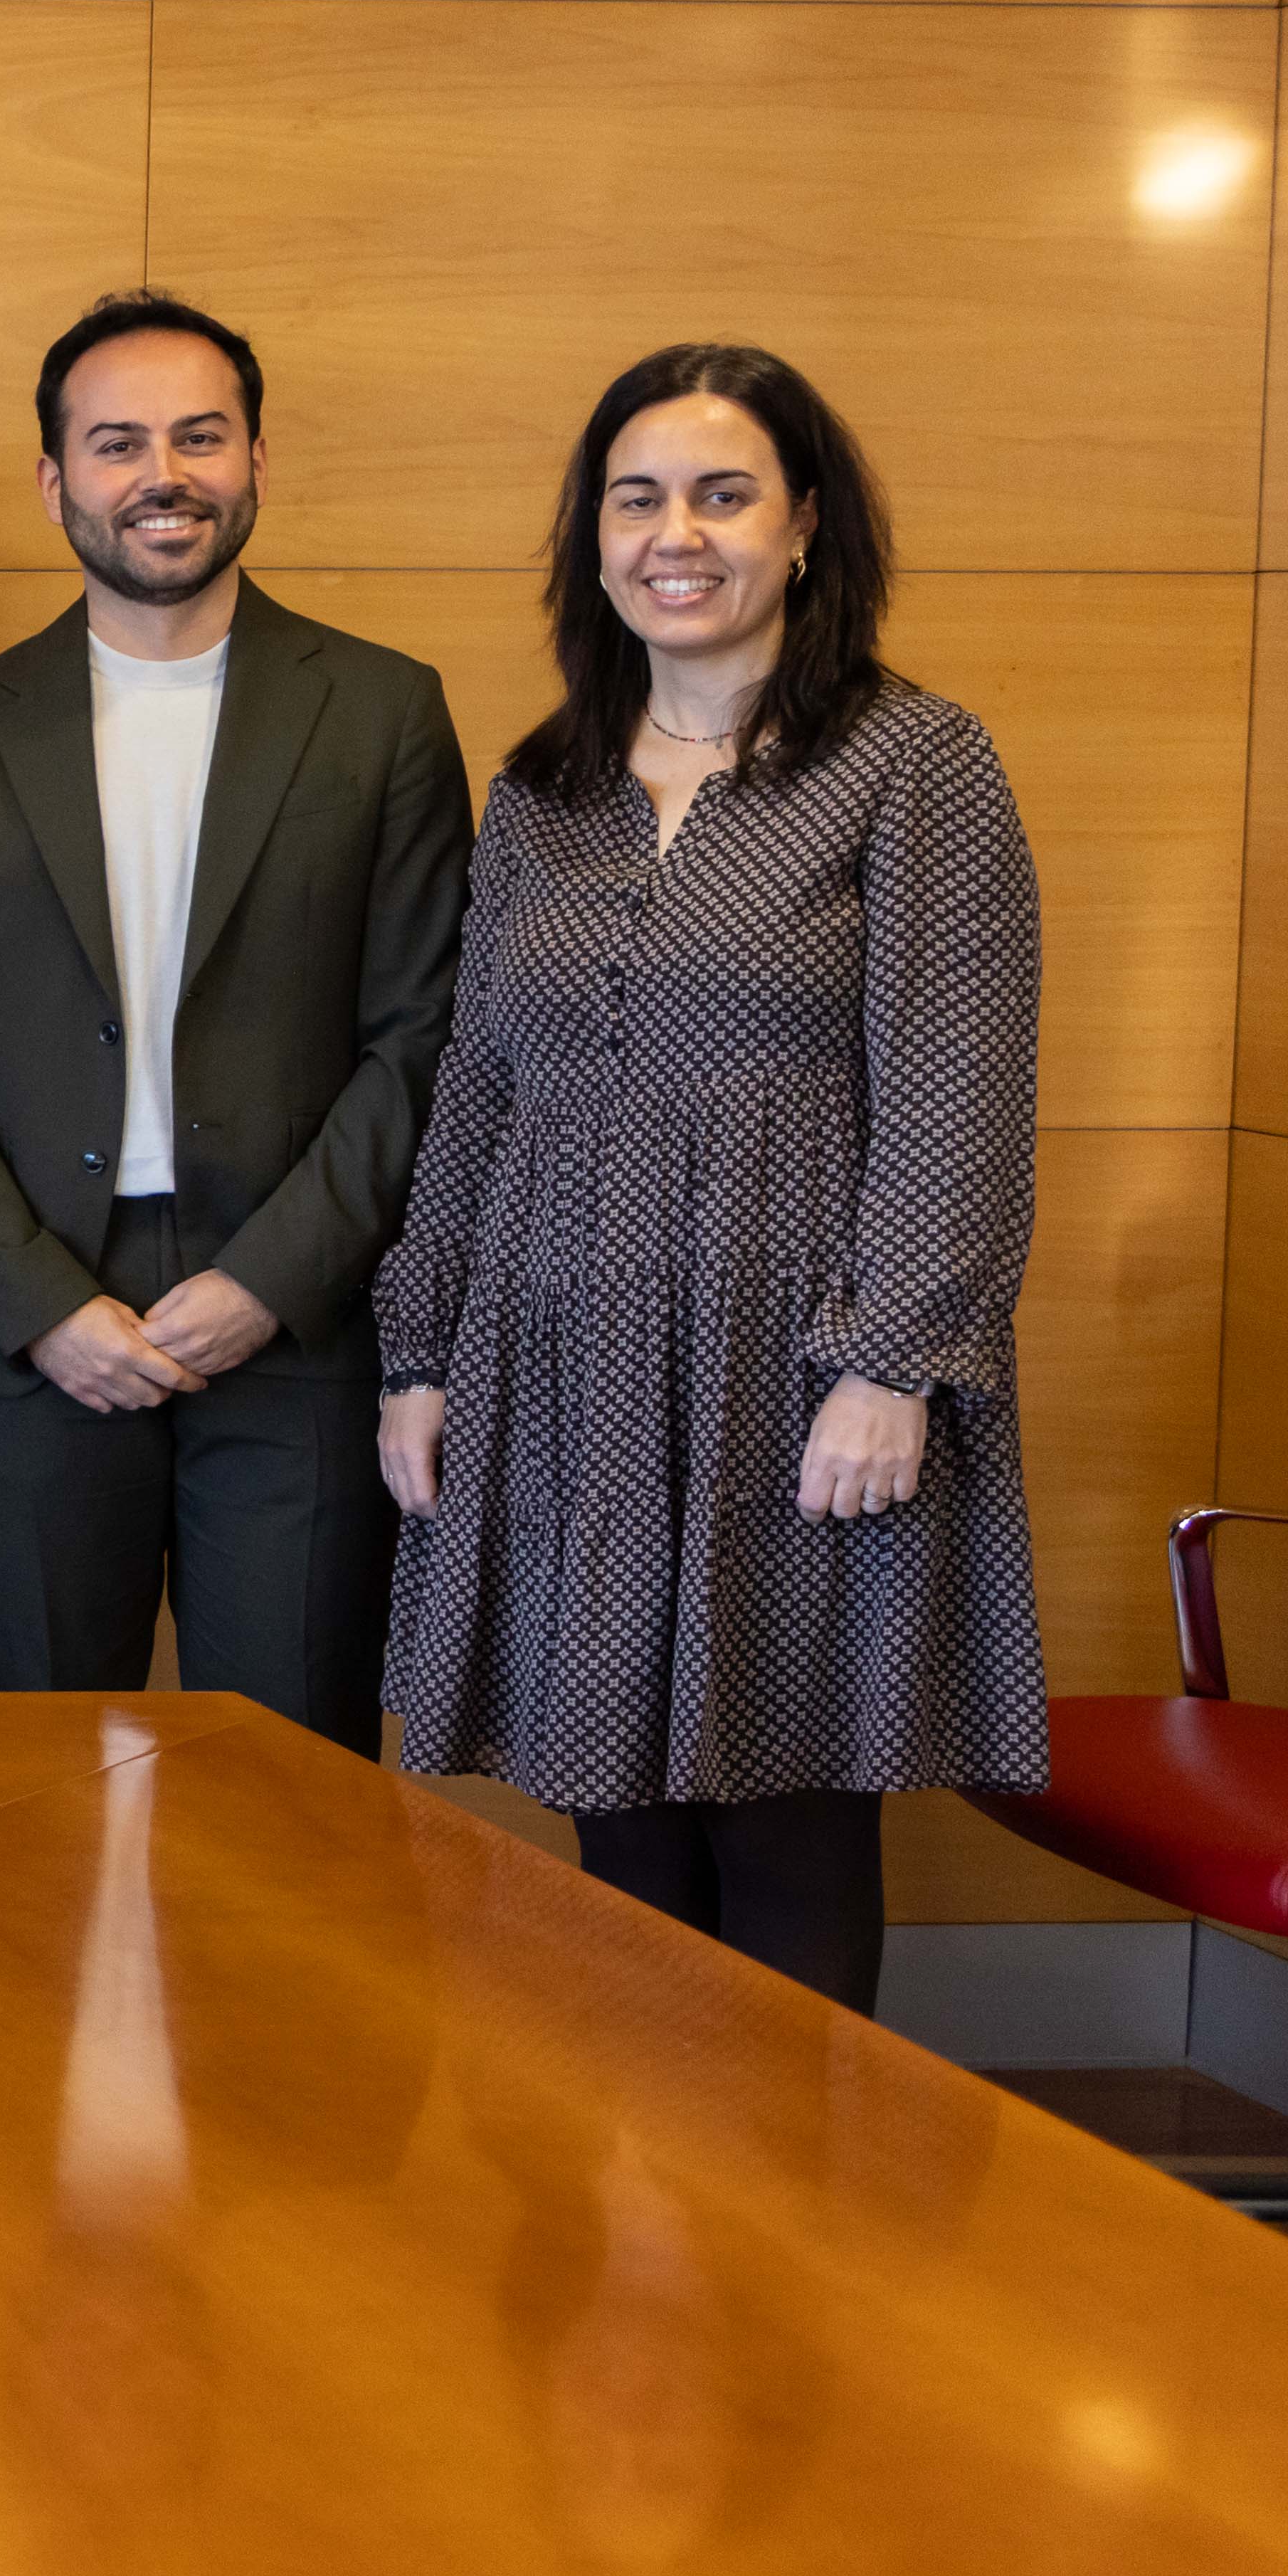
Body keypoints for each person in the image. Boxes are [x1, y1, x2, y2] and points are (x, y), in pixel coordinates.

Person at [376, 346, 1043, 2013]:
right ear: (590, 536)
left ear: (805, 525)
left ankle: (786, 2238)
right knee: (618, 1819)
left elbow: (960, 1077)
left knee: (784, 1822)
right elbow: (475, 1081)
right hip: (563, 1375)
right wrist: (420, 1346)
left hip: (794, 1366)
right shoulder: (546, 785)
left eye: (722, 491)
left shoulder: (912, 761)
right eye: (636, 496)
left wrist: (892, 1360)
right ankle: (651, 2218)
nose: (675, 532)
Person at [0, 291, 467, 1744]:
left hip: (292, 1316)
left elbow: (422, 1033)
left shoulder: (380, 712)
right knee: (30, 1783)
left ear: (256, 457)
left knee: (294, 1787)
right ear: (53, 478)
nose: (159, 474)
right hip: (31, 1324)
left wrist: (268, 1276)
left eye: (197, 435)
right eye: (114, 441)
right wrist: (42, 1304)